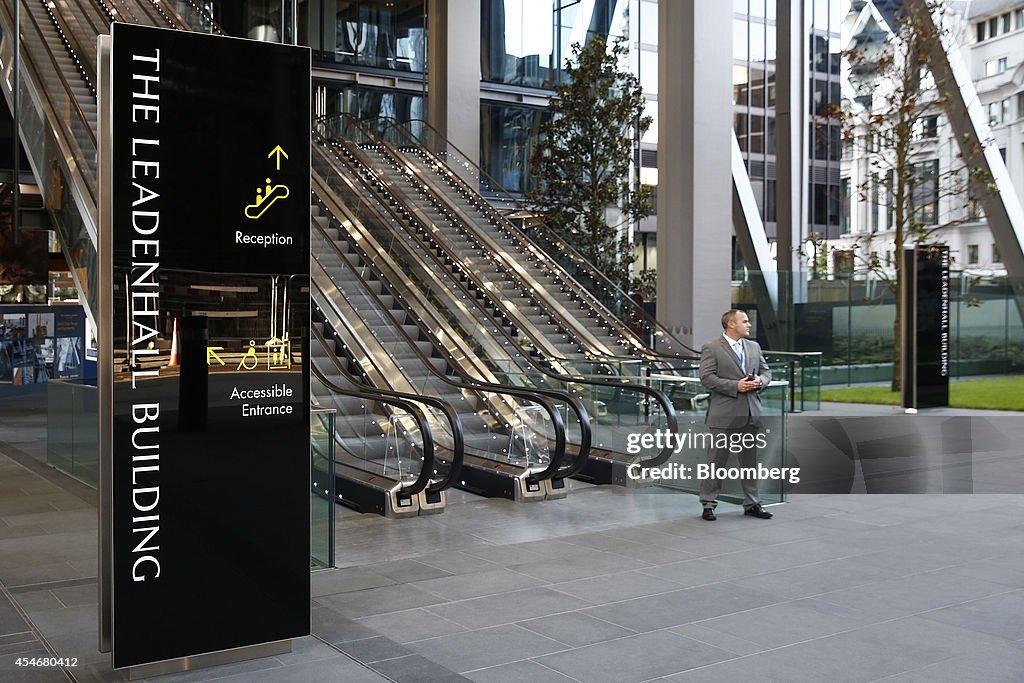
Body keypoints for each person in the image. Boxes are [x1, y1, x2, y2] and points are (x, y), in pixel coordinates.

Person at [697, 309, 773, 520]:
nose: (749, 325)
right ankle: (708, 504)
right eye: (745, 321)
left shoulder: (754, 346)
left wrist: (760, 382)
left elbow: (767, 372)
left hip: (751, 414)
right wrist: (735, 386)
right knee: (716, 462)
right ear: (731, 324)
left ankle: (752, 503)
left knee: (750, 463)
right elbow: (706, 378)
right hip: (724, 415)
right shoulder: (711, 348)